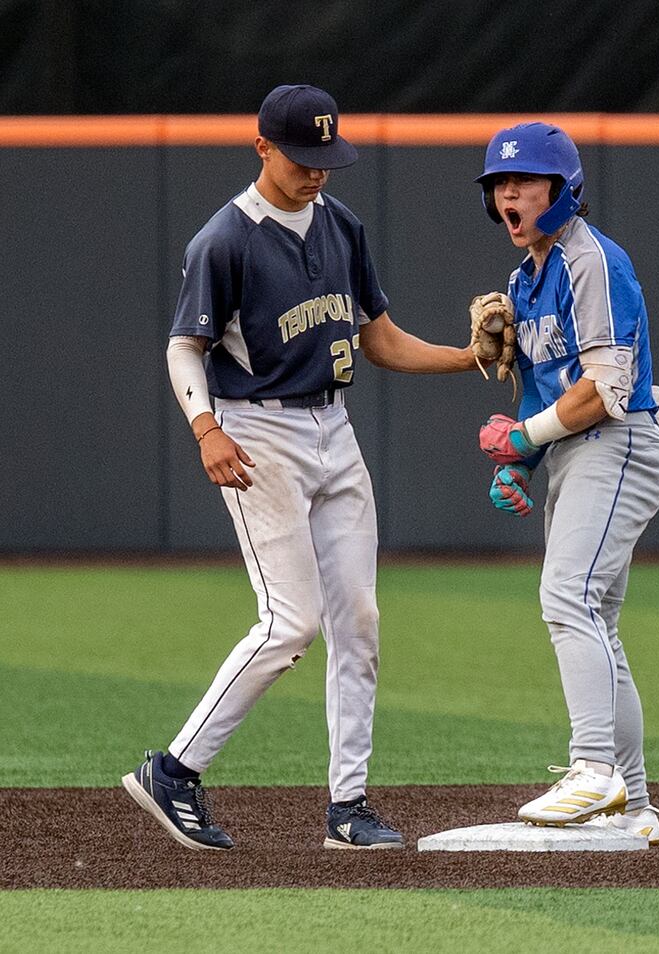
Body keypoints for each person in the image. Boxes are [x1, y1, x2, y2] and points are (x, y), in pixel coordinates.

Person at [122, 84, 477, 851]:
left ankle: (348, 808)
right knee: (292, 622)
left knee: (360, 620)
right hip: (258, 432)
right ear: (262, 148)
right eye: (300, 158)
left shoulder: (342, 226)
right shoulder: (225, 238)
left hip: (333, 427)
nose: (316, 173)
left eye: (325, 159)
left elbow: (377, 338)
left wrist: (466, 358)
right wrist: (206, 427)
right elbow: (186, 344)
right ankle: (174, 769)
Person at [474, 122, 659, 845]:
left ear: (562, 190)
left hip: (618, 443)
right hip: (578, 454)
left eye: (523, 182)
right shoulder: (524, 279)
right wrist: (521, 462)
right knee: (597, 622)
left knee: (567, 596)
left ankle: (592, 769)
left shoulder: (591, 260)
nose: (508, 196)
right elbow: (539, 394)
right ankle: (636, 806)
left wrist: (525, 439)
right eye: (499, 184)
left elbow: (608, 387)